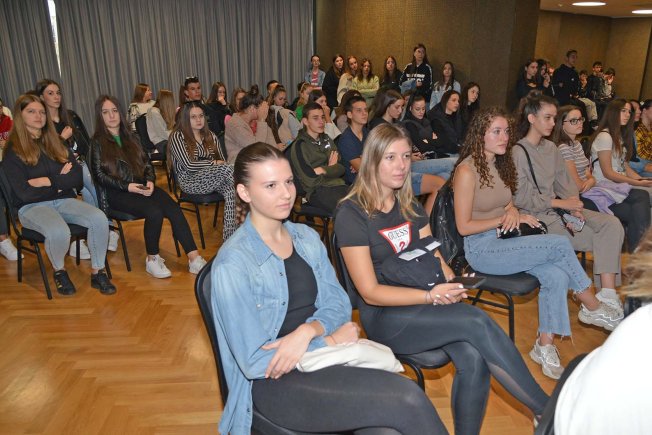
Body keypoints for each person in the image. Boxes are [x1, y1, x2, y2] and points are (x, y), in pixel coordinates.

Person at [211, 142, 445, 435]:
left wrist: (308, 331)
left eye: (288, 182)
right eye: (271, 185)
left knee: (388, 427)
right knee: (408, 398)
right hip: (273, 383)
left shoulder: (306, 238)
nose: (286, 193)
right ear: (245, 193)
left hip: (323, 361)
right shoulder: (233, 264)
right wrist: (329, 340)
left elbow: (339, 304)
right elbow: (254, 361)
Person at [335, 123, 549, 435]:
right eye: (390, 157)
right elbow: (369, 292)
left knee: (473, 355)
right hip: (386, 316)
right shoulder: (351, 213)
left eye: (406, 156)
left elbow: (432, 251)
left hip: (425, 299)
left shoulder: (407, 203)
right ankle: (549, 412)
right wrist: (431, 295)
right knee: (476, 321)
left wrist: (450, 280)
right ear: (372, 160)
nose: (401, 165)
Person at [454, 106, 620, 379]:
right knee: (558, 244)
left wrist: (514, 212)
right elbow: (463, 226)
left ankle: (544, 346)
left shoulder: (499, 164)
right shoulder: (466, 171)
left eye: (506, 131)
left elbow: (507, 203)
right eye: (496, 132)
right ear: (480, 134)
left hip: (506, 239)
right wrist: (503, 219)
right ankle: (592, 306)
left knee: (556, 274)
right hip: (482, 249)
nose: (504, 137)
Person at [513, 91, 625, 311]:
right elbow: (522, 198)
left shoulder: (551, 148)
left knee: (612, 225)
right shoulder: (518, 152)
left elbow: (565, 184)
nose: (552, 123)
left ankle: (607, 294)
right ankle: (603, 297)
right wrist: (562, 204)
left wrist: (575, 206)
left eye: (554, 118)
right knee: (604, 239)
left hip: (559, 211)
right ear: (531, 118)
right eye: (547, 118)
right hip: (537, 217)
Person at [3, 94, 115, 295]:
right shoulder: (13, 151)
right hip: (31, 207)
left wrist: (46, 181)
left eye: (42, 112)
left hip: (63, 200)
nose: (38, 116)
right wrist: (59, 181)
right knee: (59, 230)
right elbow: (23, 193)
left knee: (99, 218)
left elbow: (76, 179)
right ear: (20, 115)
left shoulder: (56, 142)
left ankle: (98, 272)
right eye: (31, 111)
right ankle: (59, 271)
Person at [89, 95, 206, 278]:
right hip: (117, 193)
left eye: (114, 111)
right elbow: (99, 176)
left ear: (120, 113)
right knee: (154, 211)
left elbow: (147, 164)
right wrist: (128, 186)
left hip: (141, 187)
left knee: (173, 208)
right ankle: (152, 259)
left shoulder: (133, 137)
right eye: (105, 112)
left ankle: (194, 258)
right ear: (100, 116)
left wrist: (150, 180)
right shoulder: (96, 142)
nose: (111, 116)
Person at [554, 228, 652, 435]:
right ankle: (595, 305)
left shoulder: (639, 321)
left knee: (611, 226)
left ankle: (606, 297)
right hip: (587, 421)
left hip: (575, 410)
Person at [35, 78, 117, 257]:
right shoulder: (41, 122)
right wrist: (62, 139)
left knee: (90, 189)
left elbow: (86, 142)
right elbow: (44, 154)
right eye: (50, 93)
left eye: (58, 93)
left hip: (80, 162)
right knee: (89, 183)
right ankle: (102, 228)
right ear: (41, 97)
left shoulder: (70, 116)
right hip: (59, 168)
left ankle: (100, 230)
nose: (56, 97)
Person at [554, 105, 650, 252]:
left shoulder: (576, 144)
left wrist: (590, 180)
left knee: (642, 199)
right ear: (561, 124)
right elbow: (580, 185)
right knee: (637, 210)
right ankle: (639, 254)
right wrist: (590, 180)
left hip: (593, 189)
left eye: (580, 119)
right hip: (578, 196)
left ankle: (639, 254)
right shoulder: (564, 148)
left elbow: (588, 174)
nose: (579, 123)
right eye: (573, 121)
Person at [168, 101, 237, 240]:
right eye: (193, 117)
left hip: (215, 178)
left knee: (231, 191)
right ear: (185, 119)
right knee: (229, 171)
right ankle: (256, 200)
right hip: (189, 181)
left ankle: (230, 239)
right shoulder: (178, 136)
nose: (199, 120)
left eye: (201, 116)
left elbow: (221, 161)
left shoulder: (210, 135)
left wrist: (217, 164)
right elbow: (189, 165)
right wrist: (213, 163)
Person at [288, 102, 348, 213]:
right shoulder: (299, 146)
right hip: (316, 191)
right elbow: (310, 181)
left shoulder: (326, 139)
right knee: (349, 211)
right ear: (305, 121)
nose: (321, 122)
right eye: (315, 118)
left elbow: (341, 168)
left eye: (322, 117)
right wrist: (331, 169)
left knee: (366, 202)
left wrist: (322, 170)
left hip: (338, 184)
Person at [589, 99, 652, 202]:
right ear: (613, 112)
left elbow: (625, 166)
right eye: (623, 111)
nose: (627, 115)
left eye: (629, 112)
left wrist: (640, 179)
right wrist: (637, 182)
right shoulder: (605, 136)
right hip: (606, 184)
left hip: (620, 182)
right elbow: (608, 173)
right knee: (647, 194)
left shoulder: (619, 136)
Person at [401, 94, 456, 181]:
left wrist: (427, 141)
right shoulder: (409, 124)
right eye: (417, 109)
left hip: (431, 156)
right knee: (453, 163)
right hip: (418, 161)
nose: (421, 112)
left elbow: (441, 141)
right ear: (410, 108)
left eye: (423, 109)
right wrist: (433, 140)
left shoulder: (426, 121)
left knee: (446, 176)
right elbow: (422, 147)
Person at [224, 86, 277, 162]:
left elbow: (273, 147)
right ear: (252, 108)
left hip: (259, 162)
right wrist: (262, 120)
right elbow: (255, 148)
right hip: (240, 165)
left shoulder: (257, 122)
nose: (264, 111)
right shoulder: (234, 124)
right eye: (261, 108)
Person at [428, 90, 463, 155]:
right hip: (444, 153)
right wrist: (463, 149)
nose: (457, 103)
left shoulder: (456, 116)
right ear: (446, 101)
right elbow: (444, 143)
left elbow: (460, 136)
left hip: (455, 149)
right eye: (454, 100)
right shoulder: (436, 119)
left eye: (458, 101)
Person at [145, 89, 175, 158]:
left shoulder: (159, 111)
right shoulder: (154, 112)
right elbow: (163, 133)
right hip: (161, 143)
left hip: (166, 141)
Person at [632, 99, 652, 177]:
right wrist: (645, 166)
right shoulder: (636, 129)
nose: (638, 111)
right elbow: (639, 155)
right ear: (644, 110)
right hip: (639, 166)